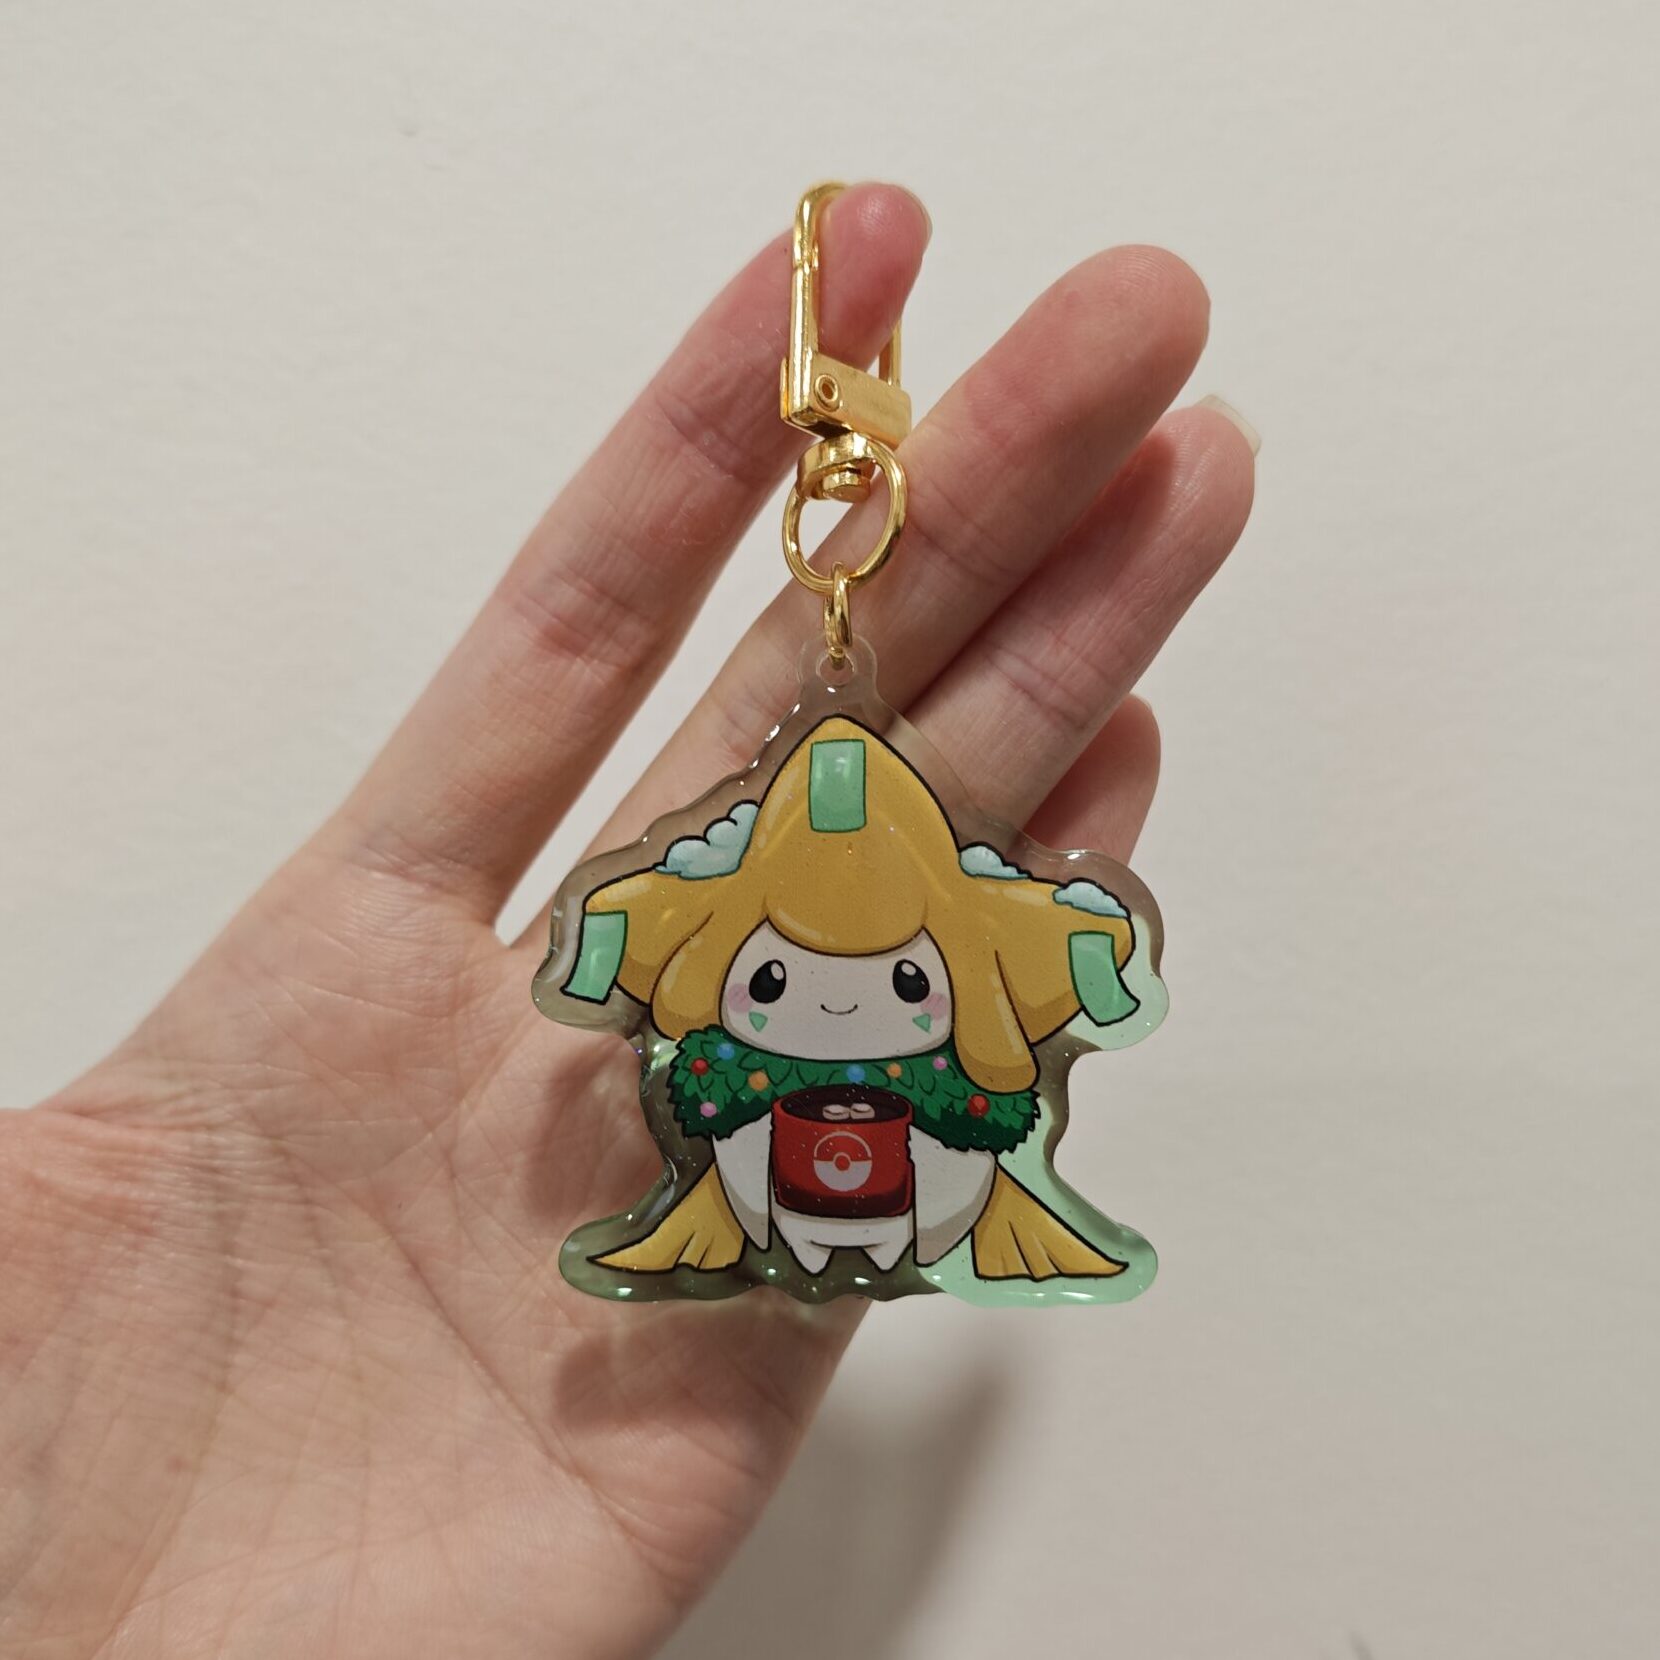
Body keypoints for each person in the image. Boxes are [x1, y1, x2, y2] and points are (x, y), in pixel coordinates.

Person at [0, 182, 1255, 1657]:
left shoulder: (956, 1087)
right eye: (772, 985)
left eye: (900, 985)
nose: (831, 1005)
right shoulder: (716, 1078)